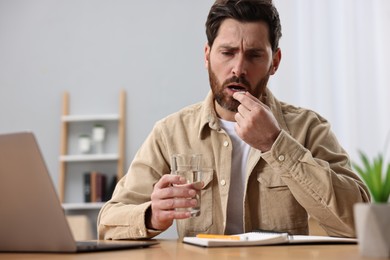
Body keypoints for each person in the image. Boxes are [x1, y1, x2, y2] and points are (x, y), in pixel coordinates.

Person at [97, 0, 370, 240]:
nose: (238, 68)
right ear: (207, 56)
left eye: (254, 55)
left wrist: (275, 144)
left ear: (275, 61)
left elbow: (360, 223)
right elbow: (109, 221)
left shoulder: (309, 128)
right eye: (227, 53)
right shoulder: (170, 132)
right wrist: (152, 216)